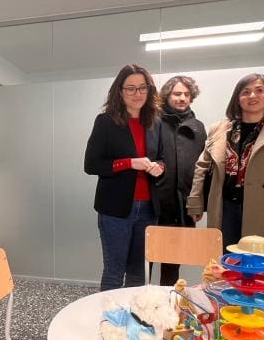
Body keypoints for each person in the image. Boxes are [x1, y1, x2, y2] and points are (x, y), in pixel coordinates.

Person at [186, 73, 264, 262]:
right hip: (225, 208)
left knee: (261, 268)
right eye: (246, 92)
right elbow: (202, 167)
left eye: (259, 90)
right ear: (237, 97)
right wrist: (195, 202)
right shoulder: (219, 129)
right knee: (225, 265)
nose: (252, 96)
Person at [84, 64, 165, 291]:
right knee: (114, 273)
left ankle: (134, 314)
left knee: (139, 273)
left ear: (149, 90)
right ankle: (110, 314)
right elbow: (91, 165)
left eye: (142, 87)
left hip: (149, 208)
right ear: (119, 91)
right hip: (115, 209)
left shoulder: (156, 122)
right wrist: (129, 163)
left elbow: (162, 157)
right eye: (130, 88)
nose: (137, 93)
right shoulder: (106, 122)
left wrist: (159, 167)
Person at [152, 75, 206, 284]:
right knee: (145, 259)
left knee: (173, 262)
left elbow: (204, 168)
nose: (182, 98)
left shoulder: (198, 127)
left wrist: (198, 203)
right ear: (167, 96)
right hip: (155, 203)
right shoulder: (153, 122)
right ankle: (143, 300)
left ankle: (168, 299)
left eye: (186, 94)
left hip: (182, 206)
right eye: (177, 93)